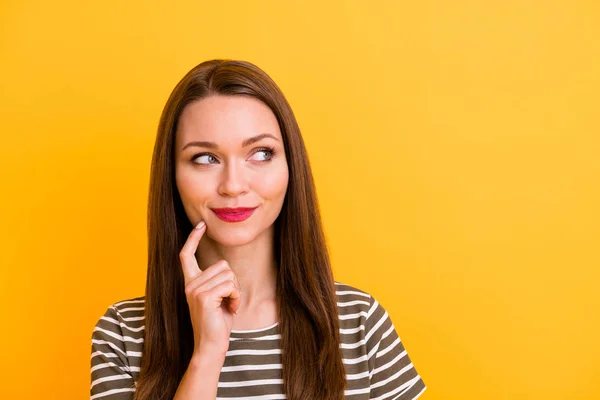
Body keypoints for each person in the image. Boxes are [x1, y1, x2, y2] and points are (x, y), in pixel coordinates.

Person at [90, 59, 427, 400]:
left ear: (290, 166)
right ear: (172, 175)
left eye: (261, 153)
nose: (233, 185)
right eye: (206, 158)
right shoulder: (123, 334)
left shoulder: (358, 322)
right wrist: (207, 354)